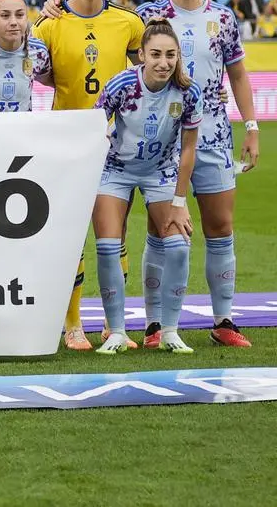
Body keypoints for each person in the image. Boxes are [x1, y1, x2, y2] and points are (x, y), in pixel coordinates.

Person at [136, 0, 260, 348]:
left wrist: (253, 127)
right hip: (164, 144)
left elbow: (238, 76)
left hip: (215, 139)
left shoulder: (222, 18)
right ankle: (154, 325)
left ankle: (224, 320)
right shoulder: (148, 17)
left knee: (221, 227)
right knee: (165, 231)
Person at [36, 0, 145, 351]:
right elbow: (38, 73)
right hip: (67, 144)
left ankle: (114, 325)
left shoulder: (128, 23)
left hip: (116, 144)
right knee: (71, 238)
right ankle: (73, 324)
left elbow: (148, 68)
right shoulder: (48, 24)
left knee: (112, 235)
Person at [92, 20, 200, 355]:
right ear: (141, 54)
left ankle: (169, 330)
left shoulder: (187, 92)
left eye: (170, 54)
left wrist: (180, 200)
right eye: (155, 54)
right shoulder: (122, 84)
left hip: (161, 172)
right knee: (108, 246)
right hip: (115, 170)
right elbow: (93, 125)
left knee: (179, 246)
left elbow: (188, 149)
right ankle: (116, 333)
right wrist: (101, 135)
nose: (163, 62)